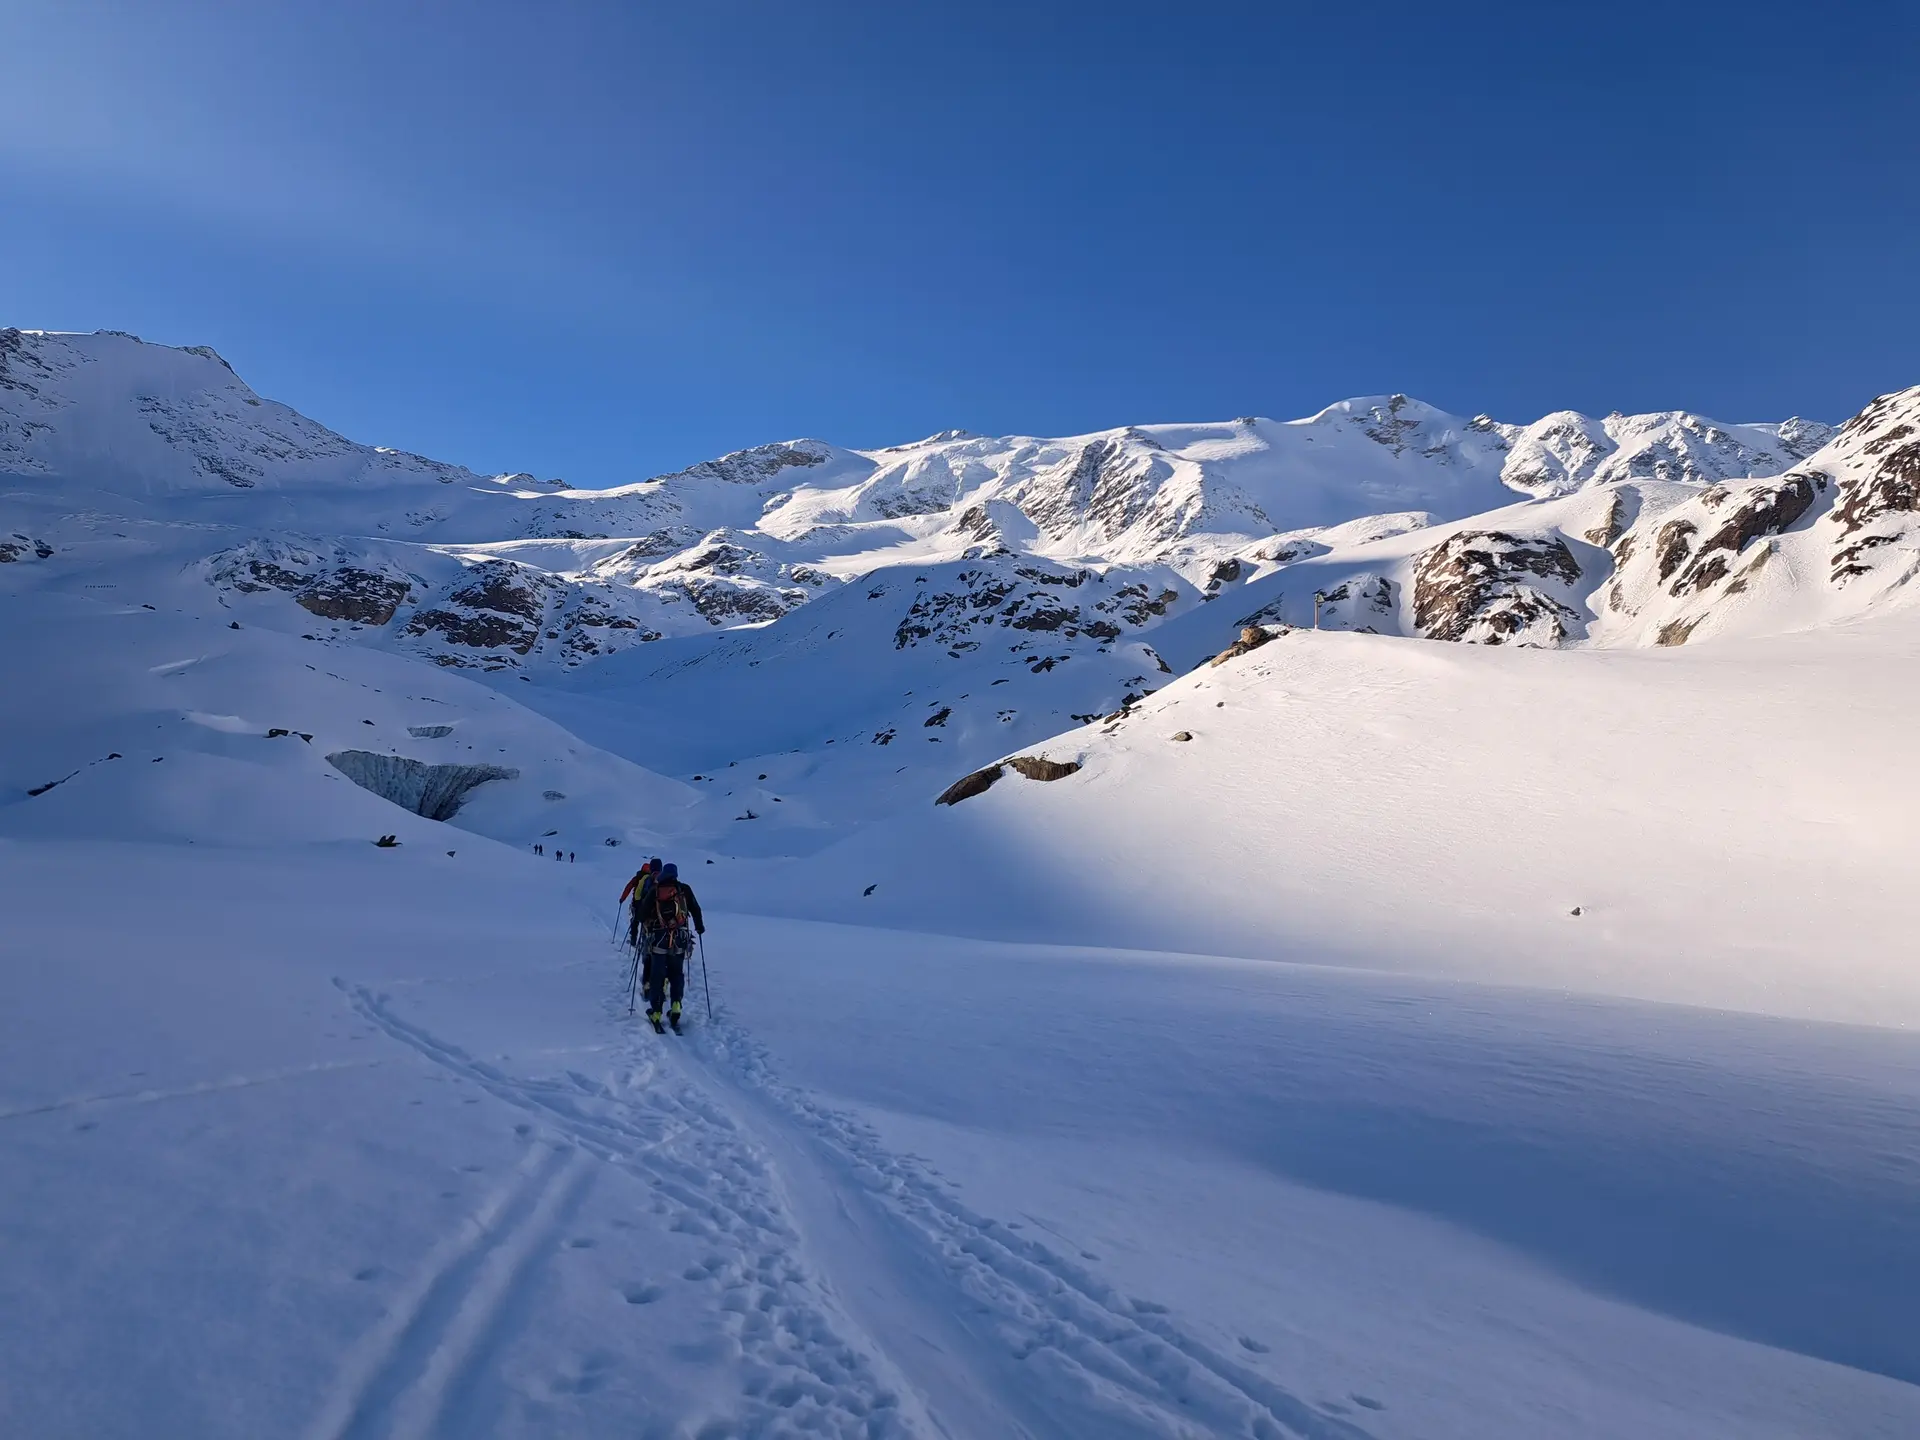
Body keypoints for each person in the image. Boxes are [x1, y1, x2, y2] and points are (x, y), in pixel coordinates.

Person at [638, 862, 705, 1033]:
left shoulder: (655, 890)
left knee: (657, 976)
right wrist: (699, 927)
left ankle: (656, 1012)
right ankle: (676, 1006)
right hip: (679, 940)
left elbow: (642, 914)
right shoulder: (684, 889)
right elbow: (696, 909)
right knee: (676, 974)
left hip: (659, 940)